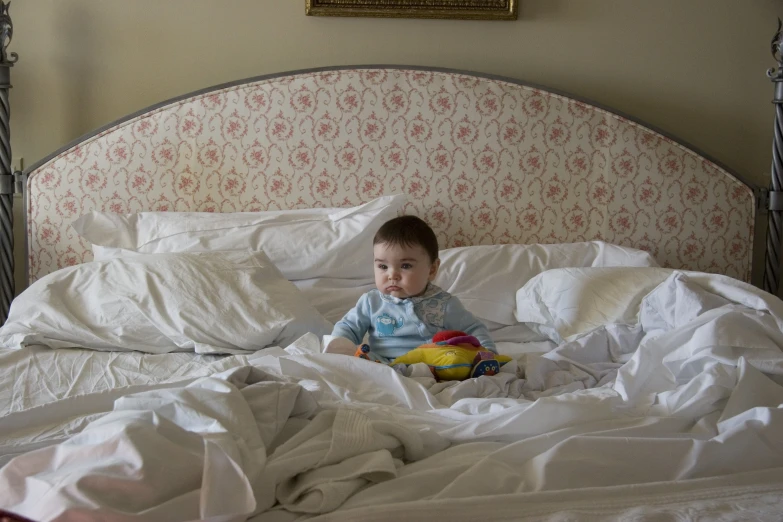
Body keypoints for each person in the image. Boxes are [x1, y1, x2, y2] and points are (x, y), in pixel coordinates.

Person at [325, 215, 495, 362]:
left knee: (451, 359)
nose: (392, 275)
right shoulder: (372, 302)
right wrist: (339, 345)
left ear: (432, 269)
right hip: (382, 363)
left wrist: (487, 354)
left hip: (430, 364)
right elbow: (348, 327)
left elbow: (473, 329)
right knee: (362, 357)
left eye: (405, 266)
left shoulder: (444, 304)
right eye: (383, 267)